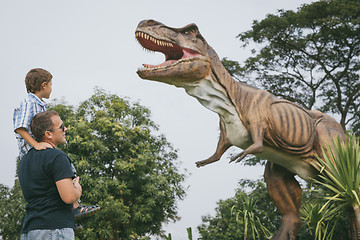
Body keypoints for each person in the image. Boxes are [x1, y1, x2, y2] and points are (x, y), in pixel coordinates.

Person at [13, 68, 99, 221]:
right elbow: (20, 127)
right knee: (65, 171)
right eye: (51, 85)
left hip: (41, 151)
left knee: (60, 178)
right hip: (33, 151)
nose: (52, 88)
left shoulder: (40, 104)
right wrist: (36, 145)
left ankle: (70, 211)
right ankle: (74, 206)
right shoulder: (28, 102)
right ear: (44, 85)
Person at [19, 111, 81, 239]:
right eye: (62, 127)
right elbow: (69, 197)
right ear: (48, 134)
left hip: (29, 230)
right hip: (54, 230)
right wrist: (77, 188)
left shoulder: (25, 160)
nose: (65, 129)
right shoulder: (58, 157)